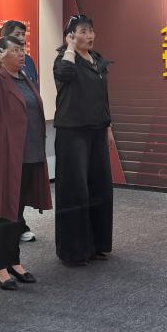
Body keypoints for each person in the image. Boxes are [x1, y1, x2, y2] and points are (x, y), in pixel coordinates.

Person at [0, 36, 51, 289]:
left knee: (17, 213)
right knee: (1, 212)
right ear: (2, 54)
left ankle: (14, 261)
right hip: (6, 156)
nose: (22, 54)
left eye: (23, 49)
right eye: (16, 50)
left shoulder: (24, 78)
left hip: (29, 154)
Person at [52, 14, 114, 266]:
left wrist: (108, 125)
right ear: (71, 35)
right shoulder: (63, 59)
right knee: (75, 190)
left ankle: (97, 245)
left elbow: (103, 96)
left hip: (97, 130)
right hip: (73, 133)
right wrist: (69, 47)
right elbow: (64, 74)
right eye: (83, 31)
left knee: (100, 188)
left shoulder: (97, 60)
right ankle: (73, 251)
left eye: (91, 31)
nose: (90, 36)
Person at [0, 19, 40, 243]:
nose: (22, 48)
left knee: (20, 191)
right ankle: (5, 250)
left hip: (28, 142)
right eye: (16, 46)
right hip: (7, 141)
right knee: (5, 197)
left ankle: (18, 230)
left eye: (23, 42)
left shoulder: (25, 69)